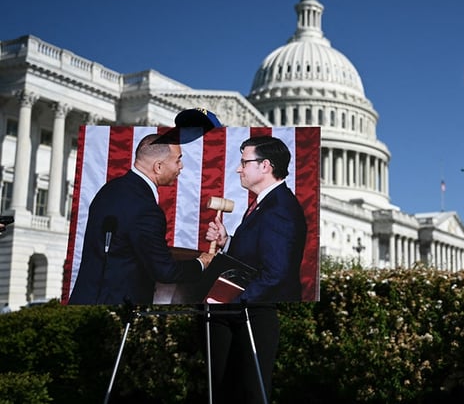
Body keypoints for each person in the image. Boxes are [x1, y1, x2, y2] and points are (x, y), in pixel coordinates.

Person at [205, 135, 307, 404]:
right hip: (240, 312)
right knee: (225, 391)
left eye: (243, 162)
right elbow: (258, 257)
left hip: (252, 313)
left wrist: (231, 301)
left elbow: (276, 273)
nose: (238, 169)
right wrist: (227, 242)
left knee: (247, 392)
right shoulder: (266, 203)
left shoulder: (279, 207)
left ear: (265, 166)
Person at [68, 133, 214, 305]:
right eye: (177, 160)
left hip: (84, 300)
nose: (181, 167)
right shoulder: (146, 209)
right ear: (158, 167)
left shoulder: (108, 190)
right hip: (117, 311)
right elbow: (164, 271)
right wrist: (201, 263)